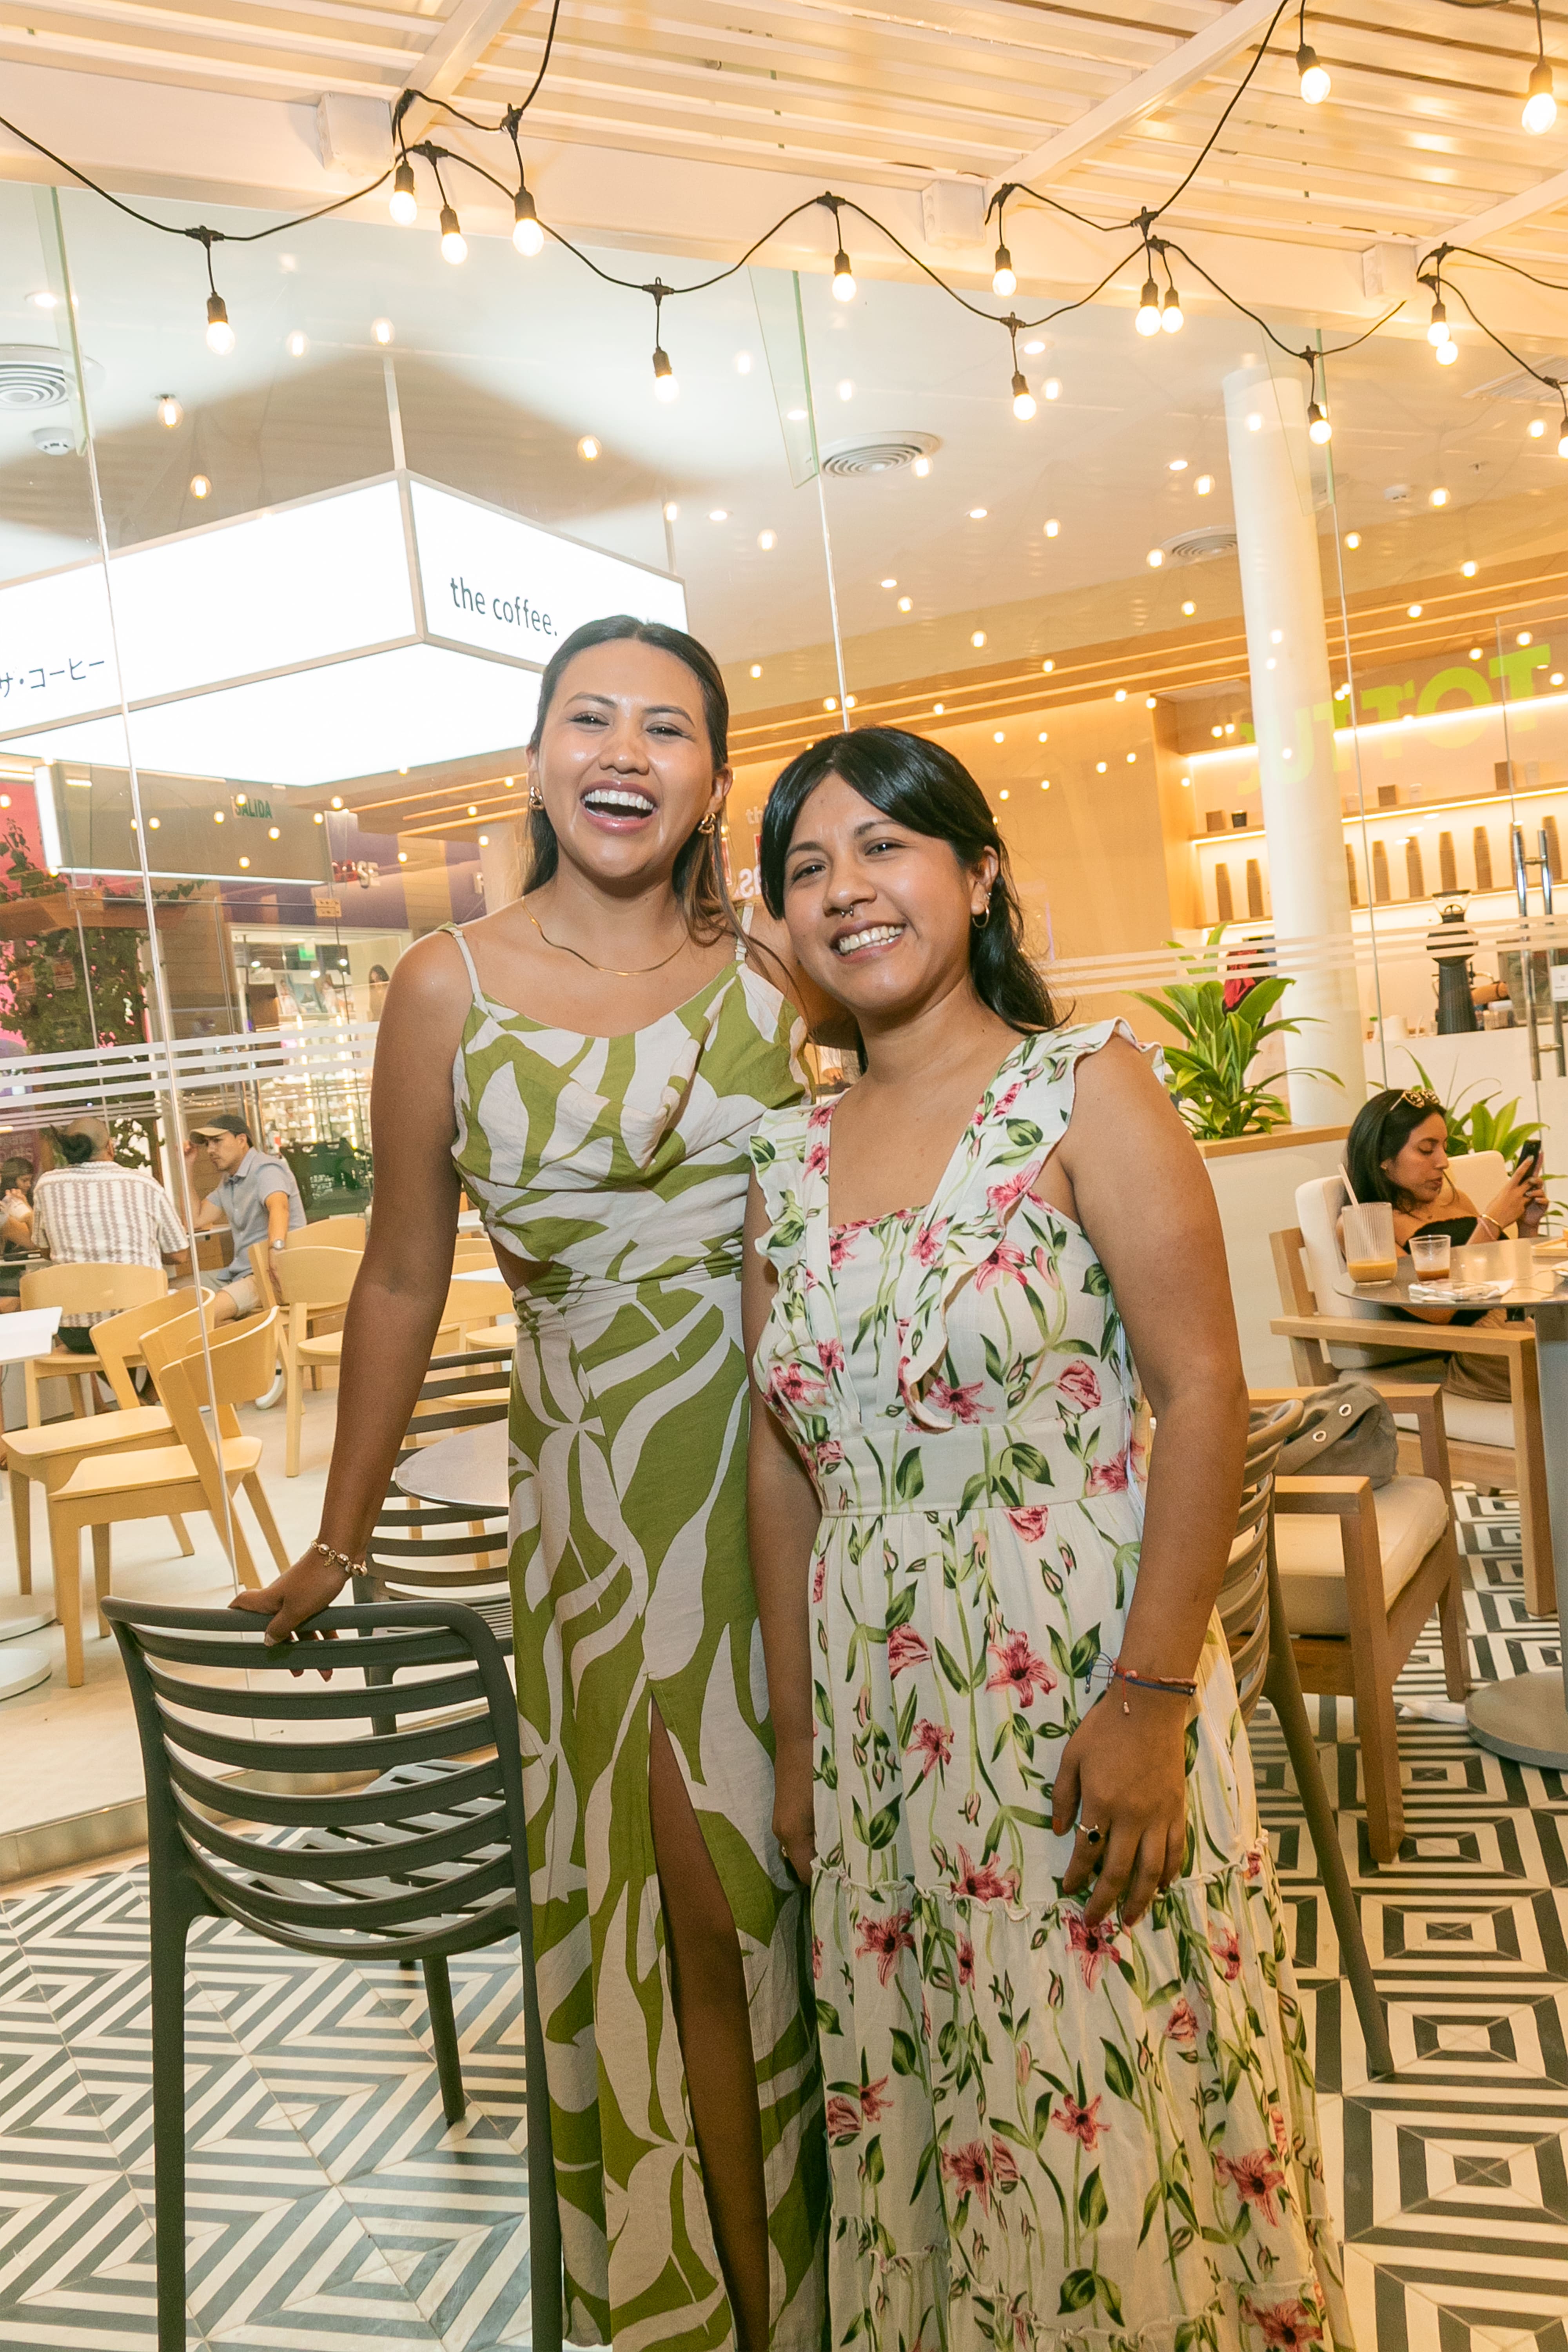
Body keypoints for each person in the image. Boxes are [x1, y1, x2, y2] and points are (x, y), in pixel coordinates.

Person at [230, 615, 838, 2352]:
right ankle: (734, 2313)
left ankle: (883, 2282)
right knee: (687, 1906)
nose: (624, 752)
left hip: (797, 1473)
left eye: (666, 726)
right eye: (590, 718)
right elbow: (400, 1275)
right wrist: (337, 1532)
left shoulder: (780, 966)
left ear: (715, 776)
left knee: (820, 1897)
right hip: (597, 1503)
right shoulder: (446, 984)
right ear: (536, 758)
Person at [742, 727, 1352, 2352]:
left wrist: (1150, 1701)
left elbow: (1204, 1394)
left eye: (883, 846)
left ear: (979, 872)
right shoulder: (780, 1158)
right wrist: (799, 1745)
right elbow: (786, 1465)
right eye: (806, 869)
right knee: (935, 2091)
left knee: (1104, 2087)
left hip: (1076, 1681)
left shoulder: (1086, 1086)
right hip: (880, 1720)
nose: (846, 890)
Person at [1341, 1085, 1546, 1402]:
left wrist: (1526, 1226)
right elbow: (1437, 1311)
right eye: (1427, 1150)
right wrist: (1490, 1223)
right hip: (1485, 1348)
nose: (1444, 1162)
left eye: (1444, 1147)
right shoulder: (1365, 1225)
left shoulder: (1457, 1201)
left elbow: (1516, 1283)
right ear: (1383, 1157)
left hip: (1526, 1327)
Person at [31, 1116, 189, 1350]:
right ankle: (149, 1378)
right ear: (110, 1147)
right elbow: (179, 1254)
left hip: (77, 1335)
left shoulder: (46, 1186)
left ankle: (121, 1378)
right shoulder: (144, 1183)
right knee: (192, 1304)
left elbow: (46, 1250)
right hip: (140, 1326)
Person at [185, 1112, 306, 1322]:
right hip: (238, 1274)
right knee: (172, 1296)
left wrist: (276, 1252)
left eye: (217, 1141)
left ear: (242, 1140)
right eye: (207, 1144)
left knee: (202, 1317)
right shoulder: (229, 1181)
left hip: (268, 1275)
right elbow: (195, 1220)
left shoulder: (266, 1169)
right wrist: (187, 1166)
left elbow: (279, 1207)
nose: (210, 1150)